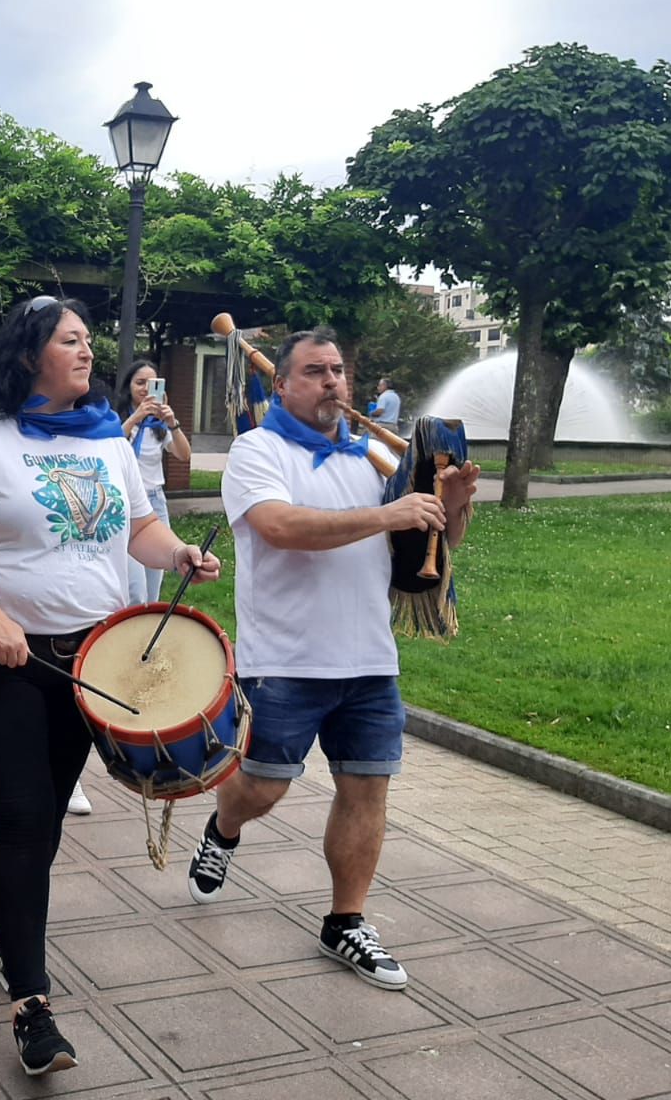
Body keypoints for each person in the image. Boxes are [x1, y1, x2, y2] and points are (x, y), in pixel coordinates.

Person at [0, 295, 220, 1077]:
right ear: (31, 353)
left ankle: (2, 932)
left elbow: (137, 525)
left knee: (44, 825)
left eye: (87, 341)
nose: (87, 352)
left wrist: (176, 551)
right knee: (21, 814)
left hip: (90, 663)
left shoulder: (108, 434)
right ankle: (32, 1005)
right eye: (71, 341)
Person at [185, 329, 478, 992]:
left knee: (366, 790)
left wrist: (451, 505)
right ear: (283, 385)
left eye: (339, 371)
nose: (332, 383)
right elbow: (281, 528)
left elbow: (427, 544)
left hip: (370, 661)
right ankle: (223, 826)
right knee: (261, 789)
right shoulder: (257, 452)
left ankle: (346, 920)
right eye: (315, 372)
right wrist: (387, 514)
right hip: (284, 659)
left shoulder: (373, 456)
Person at [119, 360, 193, 606]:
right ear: (128, 386)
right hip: (127, 505)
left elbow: (184, 454)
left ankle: (147, 641)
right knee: (135, 591)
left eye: (152, 384)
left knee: (153, 588)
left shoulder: (159, 426)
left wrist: (172, 422)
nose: (145, 390)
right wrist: (136, 418)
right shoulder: (118, 421)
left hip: (155, 503)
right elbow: (111, 447)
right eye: (140, 383)